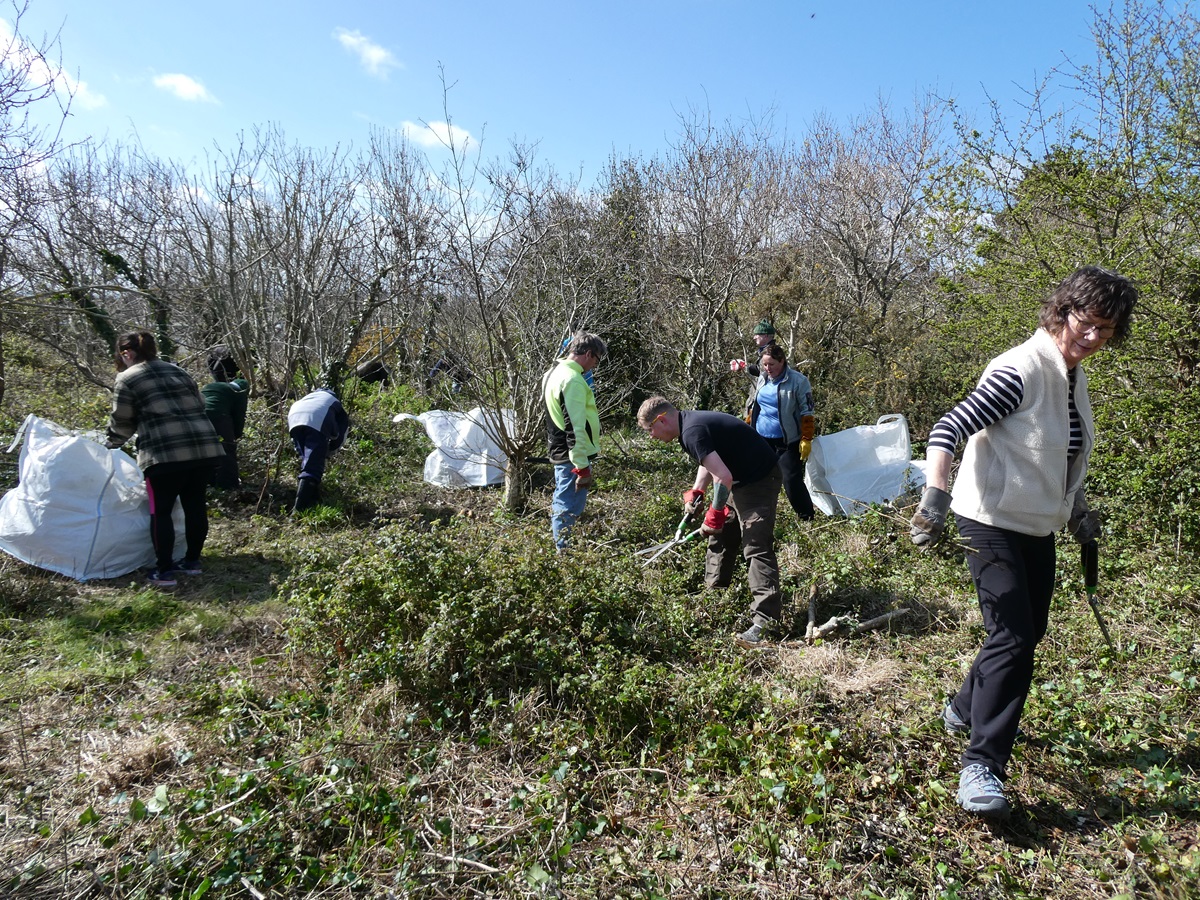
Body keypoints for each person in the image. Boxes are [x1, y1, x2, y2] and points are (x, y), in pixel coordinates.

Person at [909, 266, 1137, 819]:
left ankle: (963, 707)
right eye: (1088, 323)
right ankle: (981, 764)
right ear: (1063, 312)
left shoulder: (1072, 375)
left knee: (1026, 632)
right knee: (1012, 635)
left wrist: (1077, 509)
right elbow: (949, 427)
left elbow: (1060, 454)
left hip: (1036, 524)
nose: (1095, 337)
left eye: (1107, 330)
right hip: (988, 519)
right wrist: (934, 495)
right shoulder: (1021, 368)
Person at [638, 395, 785, 647]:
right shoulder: (688, 426)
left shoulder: (691, 431)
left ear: (661, 420)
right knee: (723, 534)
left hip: (759, 479)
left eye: (650, 429)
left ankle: (765, 622)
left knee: (756, 546)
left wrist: (714, 515)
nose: (651, 435)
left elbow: (723, 476)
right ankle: (714, 596)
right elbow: (709, 460)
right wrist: (697, 492)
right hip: (738, 480)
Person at [105, 330, 225, 588]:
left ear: (127, 353)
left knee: (160, 512)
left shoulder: (127, 378)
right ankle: (192, 562)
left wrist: (108, 446)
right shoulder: (178, 371)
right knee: (195, 505)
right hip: (204, 450)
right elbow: (201, 404)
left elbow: (122, 422)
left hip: (163, 455)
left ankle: (164, 571)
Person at [542, 332, 606, 550]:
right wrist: (582, 467)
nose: (594, 366)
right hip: (571, 455)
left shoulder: (552, 373)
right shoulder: (573, 380)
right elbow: (574, 427)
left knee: (565, 501)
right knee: (567, 504)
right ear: (588, 354)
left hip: (559, 448)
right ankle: (564, 552)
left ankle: (565, 545)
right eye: (596, 360)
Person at [745, 343, 816, 521]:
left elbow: (807, 412)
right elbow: (756, 406)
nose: (768, 368)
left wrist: (806, 438)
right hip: (761, 439)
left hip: (786, 441)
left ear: (782, 361)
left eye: (772, 364)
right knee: (757, 478)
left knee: (791, 481)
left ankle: (806, 515)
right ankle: (759, 515)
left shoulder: (798, 381)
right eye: (765, 365)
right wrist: (747, 426)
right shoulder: (763, 378)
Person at [287, 388, 350, 512]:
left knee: (307, 461)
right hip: (315, 419)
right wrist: (330, 450)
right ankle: (299, 510)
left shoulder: (309, 397)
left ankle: (313, 499)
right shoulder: (336, 403)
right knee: (313, 467)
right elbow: (340, 435)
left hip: (294, 417)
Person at [201, 346, 249, 491]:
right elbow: (239, 414)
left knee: (205, 452)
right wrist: (236, 434)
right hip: (218, 417)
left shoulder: (209, 387)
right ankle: (229, 487)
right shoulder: (239, 388)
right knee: (226, 449)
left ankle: (209, 484)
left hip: (197, 418)